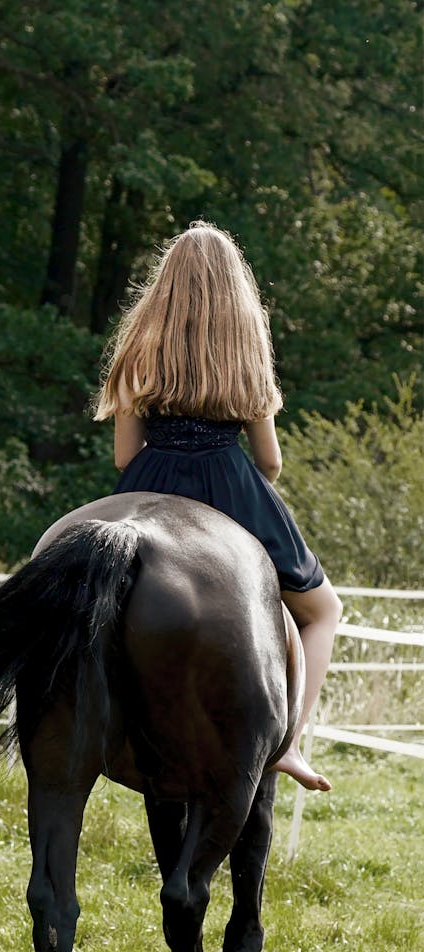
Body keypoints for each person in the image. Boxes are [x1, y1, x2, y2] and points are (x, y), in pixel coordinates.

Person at [93, 221, 342, 791]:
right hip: (228, 485)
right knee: (324, 610)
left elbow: (125, 457)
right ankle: (291, 744)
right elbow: (271, 462)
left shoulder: (136, 352)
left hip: (149, 486)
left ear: (164, 286)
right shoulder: (244, 355)